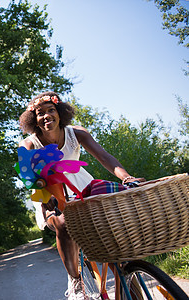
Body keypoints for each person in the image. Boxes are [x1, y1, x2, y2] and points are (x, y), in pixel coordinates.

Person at [18, 92, 145, 300]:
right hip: (49, 193)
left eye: (51, 110)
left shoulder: (76, 134)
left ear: (60, 113)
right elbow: (26, 170)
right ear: (34, 120)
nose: (46, 115)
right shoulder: (30, 143)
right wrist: (44, 194)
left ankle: (131, 286)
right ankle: (75, 280)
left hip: (81, 189)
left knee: (115, 249)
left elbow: (104, 157)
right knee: (63, 223)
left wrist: (126, 177)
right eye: (40, 113)